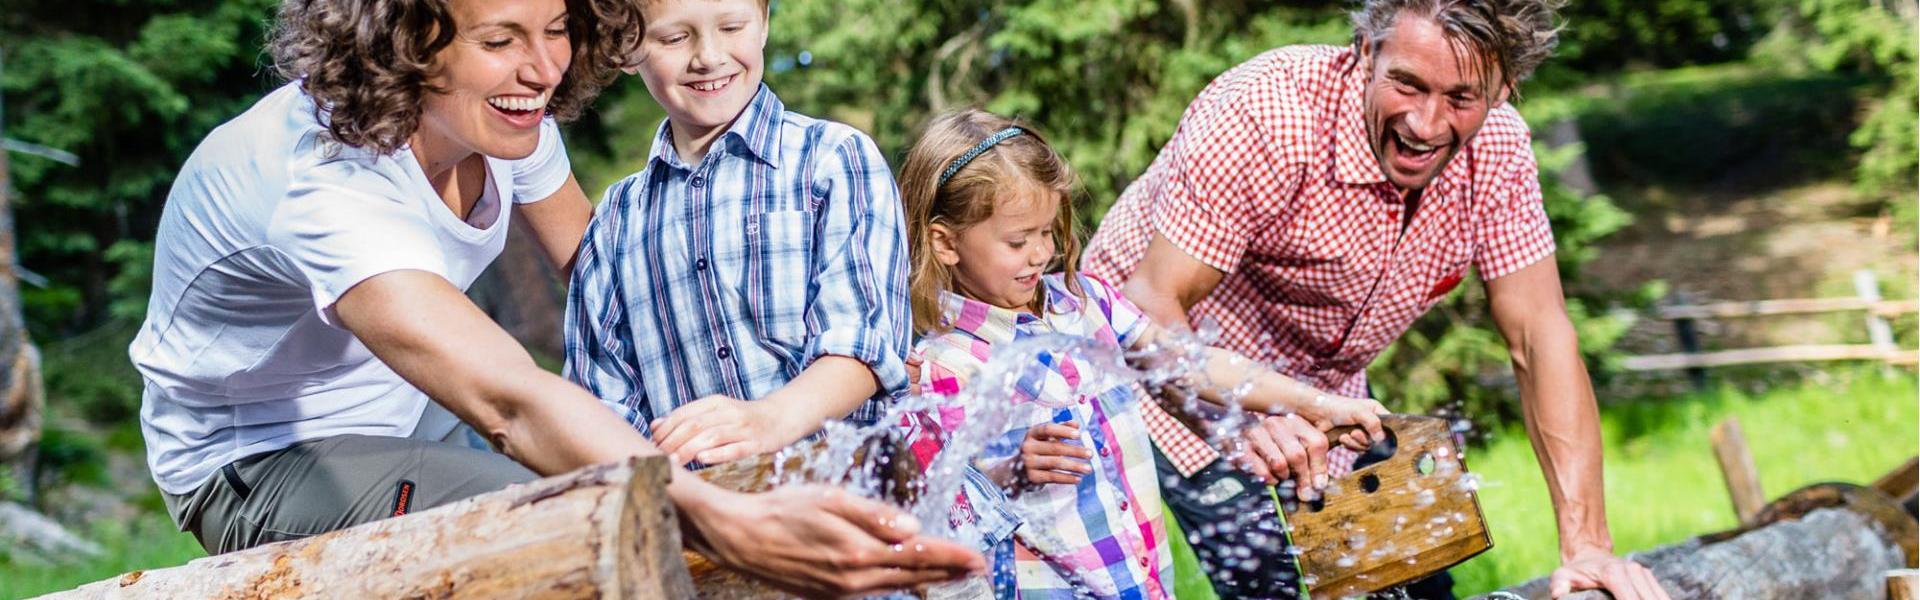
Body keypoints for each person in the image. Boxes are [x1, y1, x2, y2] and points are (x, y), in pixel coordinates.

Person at [129, 0, 980, 595]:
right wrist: (714, 513)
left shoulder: (500, 112)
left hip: (417, 416)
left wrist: (767, 402)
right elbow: (510, 398)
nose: (541, 69)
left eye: (558, 28)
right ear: (409, 41)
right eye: (502, 38)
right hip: (261, 459)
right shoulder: (324, 182)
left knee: (618, 480)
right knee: (572, 524)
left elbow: (613, 273)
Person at [1079, 1, 1670, 598]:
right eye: (1407, 85)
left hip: (1326, 395)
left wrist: (1589, 546)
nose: (1425, 123)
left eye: (1462, 99)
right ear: (1366, 52)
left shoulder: (1500, 154)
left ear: (1504, 88)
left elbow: (1540, 334)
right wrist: (1244, 419)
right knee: (1282, 585)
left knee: (1407, 583)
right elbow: (1149, 303)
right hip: (1161, 366)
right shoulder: (1265, 111)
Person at [897, 109, 1387, 599]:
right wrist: (1010, 468)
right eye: (1018, 240)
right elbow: (939, 504)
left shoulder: (1088, 304)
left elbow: (1193, 364)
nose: (1039, 253)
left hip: (1141, 582)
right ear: (946, 242)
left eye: (1047, 231)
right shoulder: (947, 364)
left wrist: (1318, 403)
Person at [564, 0, 910, 469]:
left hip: (847, 490)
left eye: (731, 26)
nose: (708, 56)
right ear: (627, 48)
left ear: (764, 23)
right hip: (703, 519)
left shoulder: (834, 160)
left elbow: (865, 344)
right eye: (674, 38)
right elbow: (600, 402)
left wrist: (770, 420)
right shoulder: (615, 220)